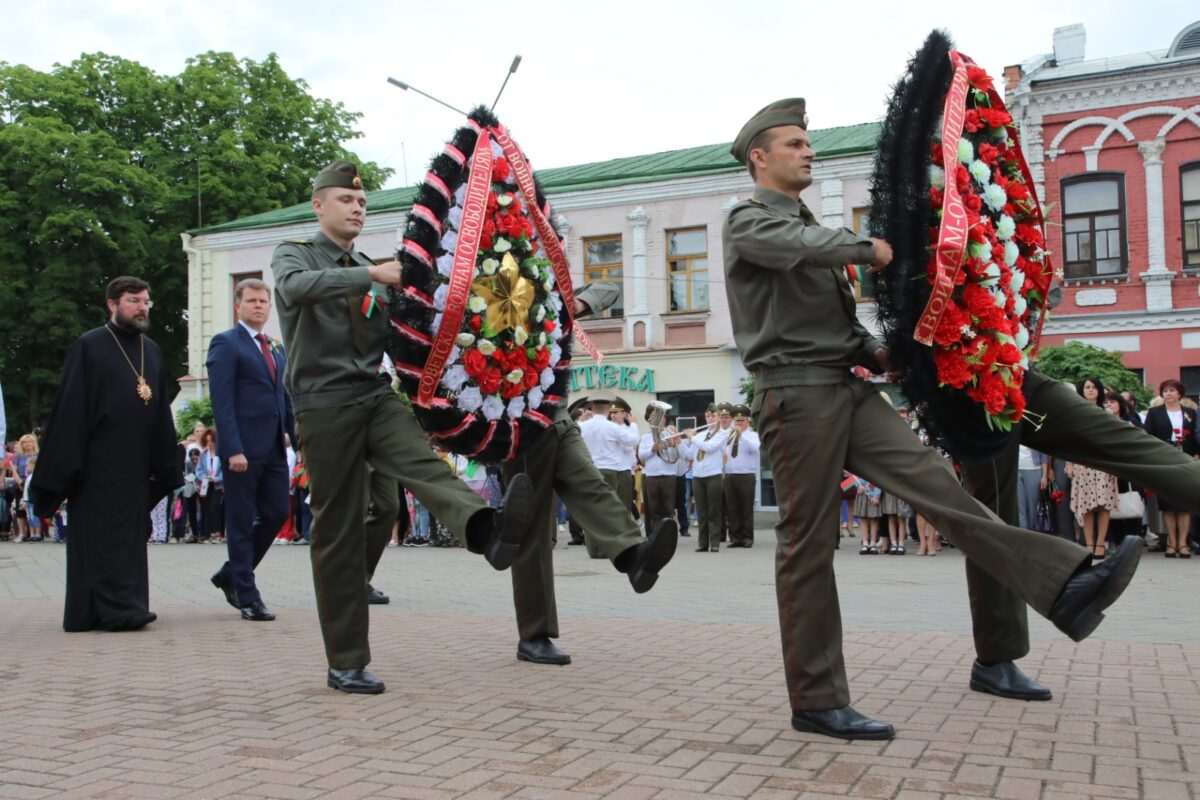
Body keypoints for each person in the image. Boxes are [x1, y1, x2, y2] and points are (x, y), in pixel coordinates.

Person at [723, 98, 1141, 740]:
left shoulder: (807, 228)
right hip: (794, 394)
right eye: (795, 144)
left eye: (809, 143)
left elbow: (831, 325)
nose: (808, 151)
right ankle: (817, 698)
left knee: (941, 493)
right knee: (809, 545)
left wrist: (882, 353)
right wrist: (874, 248)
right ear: (760, 156)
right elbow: (797, 250)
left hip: (849, 388)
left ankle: (1066, 583)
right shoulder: (750, 221)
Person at [271, 160, 534, 695]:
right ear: (319, 205)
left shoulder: (375, 267)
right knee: (339, 530)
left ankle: (486, 531)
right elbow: (296, 290)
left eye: (363, 202)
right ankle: (346, 660)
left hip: (373, 393)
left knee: (422, 464)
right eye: (347, 200)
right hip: (323, 406)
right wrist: (371, 274)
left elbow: (407, 334)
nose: (357, 208)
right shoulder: (296, 254)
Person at [499, 286, 678, 667]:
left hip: (559, 414)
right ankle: (534, 634)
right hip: (521, 417)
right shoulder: (492, 275)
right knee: (533, 531)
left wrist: (577, 303)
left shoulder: (546, 280)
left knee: (591, 484)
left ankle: (634, 556)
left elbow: (610, 288)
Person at [29, 276, 181, 632]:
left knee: (129, 537)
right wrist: (66, 467)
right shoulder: (89, 346)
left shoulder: (152, 350)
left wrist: (165, 464)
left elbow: (160, 411)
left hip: (137, 463)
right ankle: (114, 610)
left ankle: (128, 604)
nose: (142, 307)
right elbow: (70, 409)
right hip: (97, 463)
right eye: (133, 300)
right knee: (101, 538)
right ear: (112, 304)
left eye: (146, 301)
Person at [206, 278, 296, 621]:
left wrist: (294, 439)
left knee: (276, 513)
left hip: (273, 448)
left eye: (264, 301)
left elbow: (283, 397)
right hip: (241, 451)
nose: (259, 305)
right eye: (252, 300)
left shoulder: (275, 347)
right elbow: (222, 400)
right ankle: (246, 594)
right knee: (241, 521)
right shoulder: (226, 343)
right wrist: (232, 449)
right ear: (238, 306)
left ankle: (232, 571)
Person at [578, 392, 640, 559]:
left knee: (592, 510)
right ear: (607, 409)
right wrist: (633, 425)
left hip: (590, 470)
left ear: (592, 408)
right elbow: (633, 440)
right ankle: (606, 548)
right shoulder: (612, 427)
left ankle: (593, 549)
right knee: (608, 510)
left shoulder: (583, 426)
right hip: (609, 471)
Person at [1143, 378, 1196, 558]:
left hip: (1186, 462)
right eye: (1165, 390)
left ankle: (1183, 543)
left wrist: (1196, 454)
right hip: (1164, 462)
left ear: (1180, 393)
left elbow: (1196, 436)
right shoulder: (1154, 413)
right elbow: (1147, 437)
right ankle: (1171, 542)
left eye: (1172, 390)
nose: (1169, 394)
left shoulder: (1190, 413)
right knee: (1167, 504)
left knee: (1184, 504)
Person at [638, 405, 690, 539]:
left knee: (668, 508)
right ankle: (656, 536)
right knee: (654, 508)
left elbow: (676, 456)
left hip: (668, 475)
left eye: (656, 419)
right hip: (651, 476)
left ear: (663, 419)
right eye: (650, 420)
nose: (653, 422)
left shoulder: (669, 435)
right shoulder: (645, 437)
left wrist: (674, 445)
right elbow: (641, 455)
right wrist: (652, 449)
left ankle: (669, 536)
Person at [687, 403, 729, 552]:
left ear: (717, 418)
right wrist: (678, 443)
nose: (710, 418)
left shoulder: (722, 434)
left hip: (713, 476)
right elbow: (689, 455)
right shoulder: (699, 434)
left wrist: (692, 438)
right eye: (707, 416)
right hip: (697, 477)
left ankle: (715, 542)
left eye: (713, 416)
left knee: (713, 511)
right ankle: (703, 543)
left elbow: (709, 447)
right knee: (702, 512)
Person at [722, 404, 759, 548]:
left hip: (746, 475)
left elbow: (754, 448)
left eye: (741, 421)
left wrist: (741, 435)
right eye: (736, 421)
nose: (738, 424)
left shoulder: (752, 435)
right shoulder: (729, 435)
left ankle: (747, 537)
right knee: (732, 508)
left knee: (746, 508)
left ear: (747, 421)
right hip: (730, 474)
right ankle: (736, 537)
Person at [197, 428, 225, 544]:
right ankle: (211, 532)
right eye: (207, 441)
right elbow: (199, 470)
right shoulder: (204, 455)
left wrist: (218, 478)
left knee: (215, 507)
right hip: (207, 485)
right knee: (208, 508)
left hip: (219, 485)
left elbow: (225, 469)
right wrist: (204, 477)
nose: (209, 443)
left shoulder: (222, 453)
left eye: (211, 441)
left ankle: (218, 533)